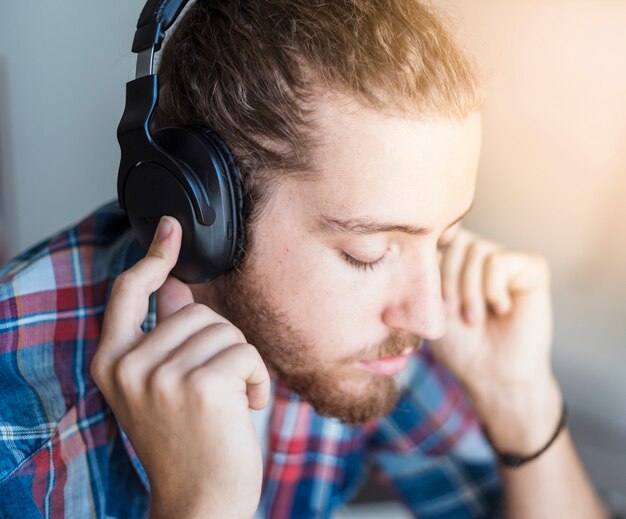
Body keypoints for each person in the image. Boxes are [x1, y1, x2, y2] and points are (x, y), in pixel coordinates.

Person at [0, 1, 607, 518]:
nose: (429, 318)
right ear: (196, 216)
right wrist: (203, 505)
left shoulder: (373, 335)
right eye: (366, 254)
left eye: (443, 239)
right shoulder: (16, 425)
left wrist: (523, 406)